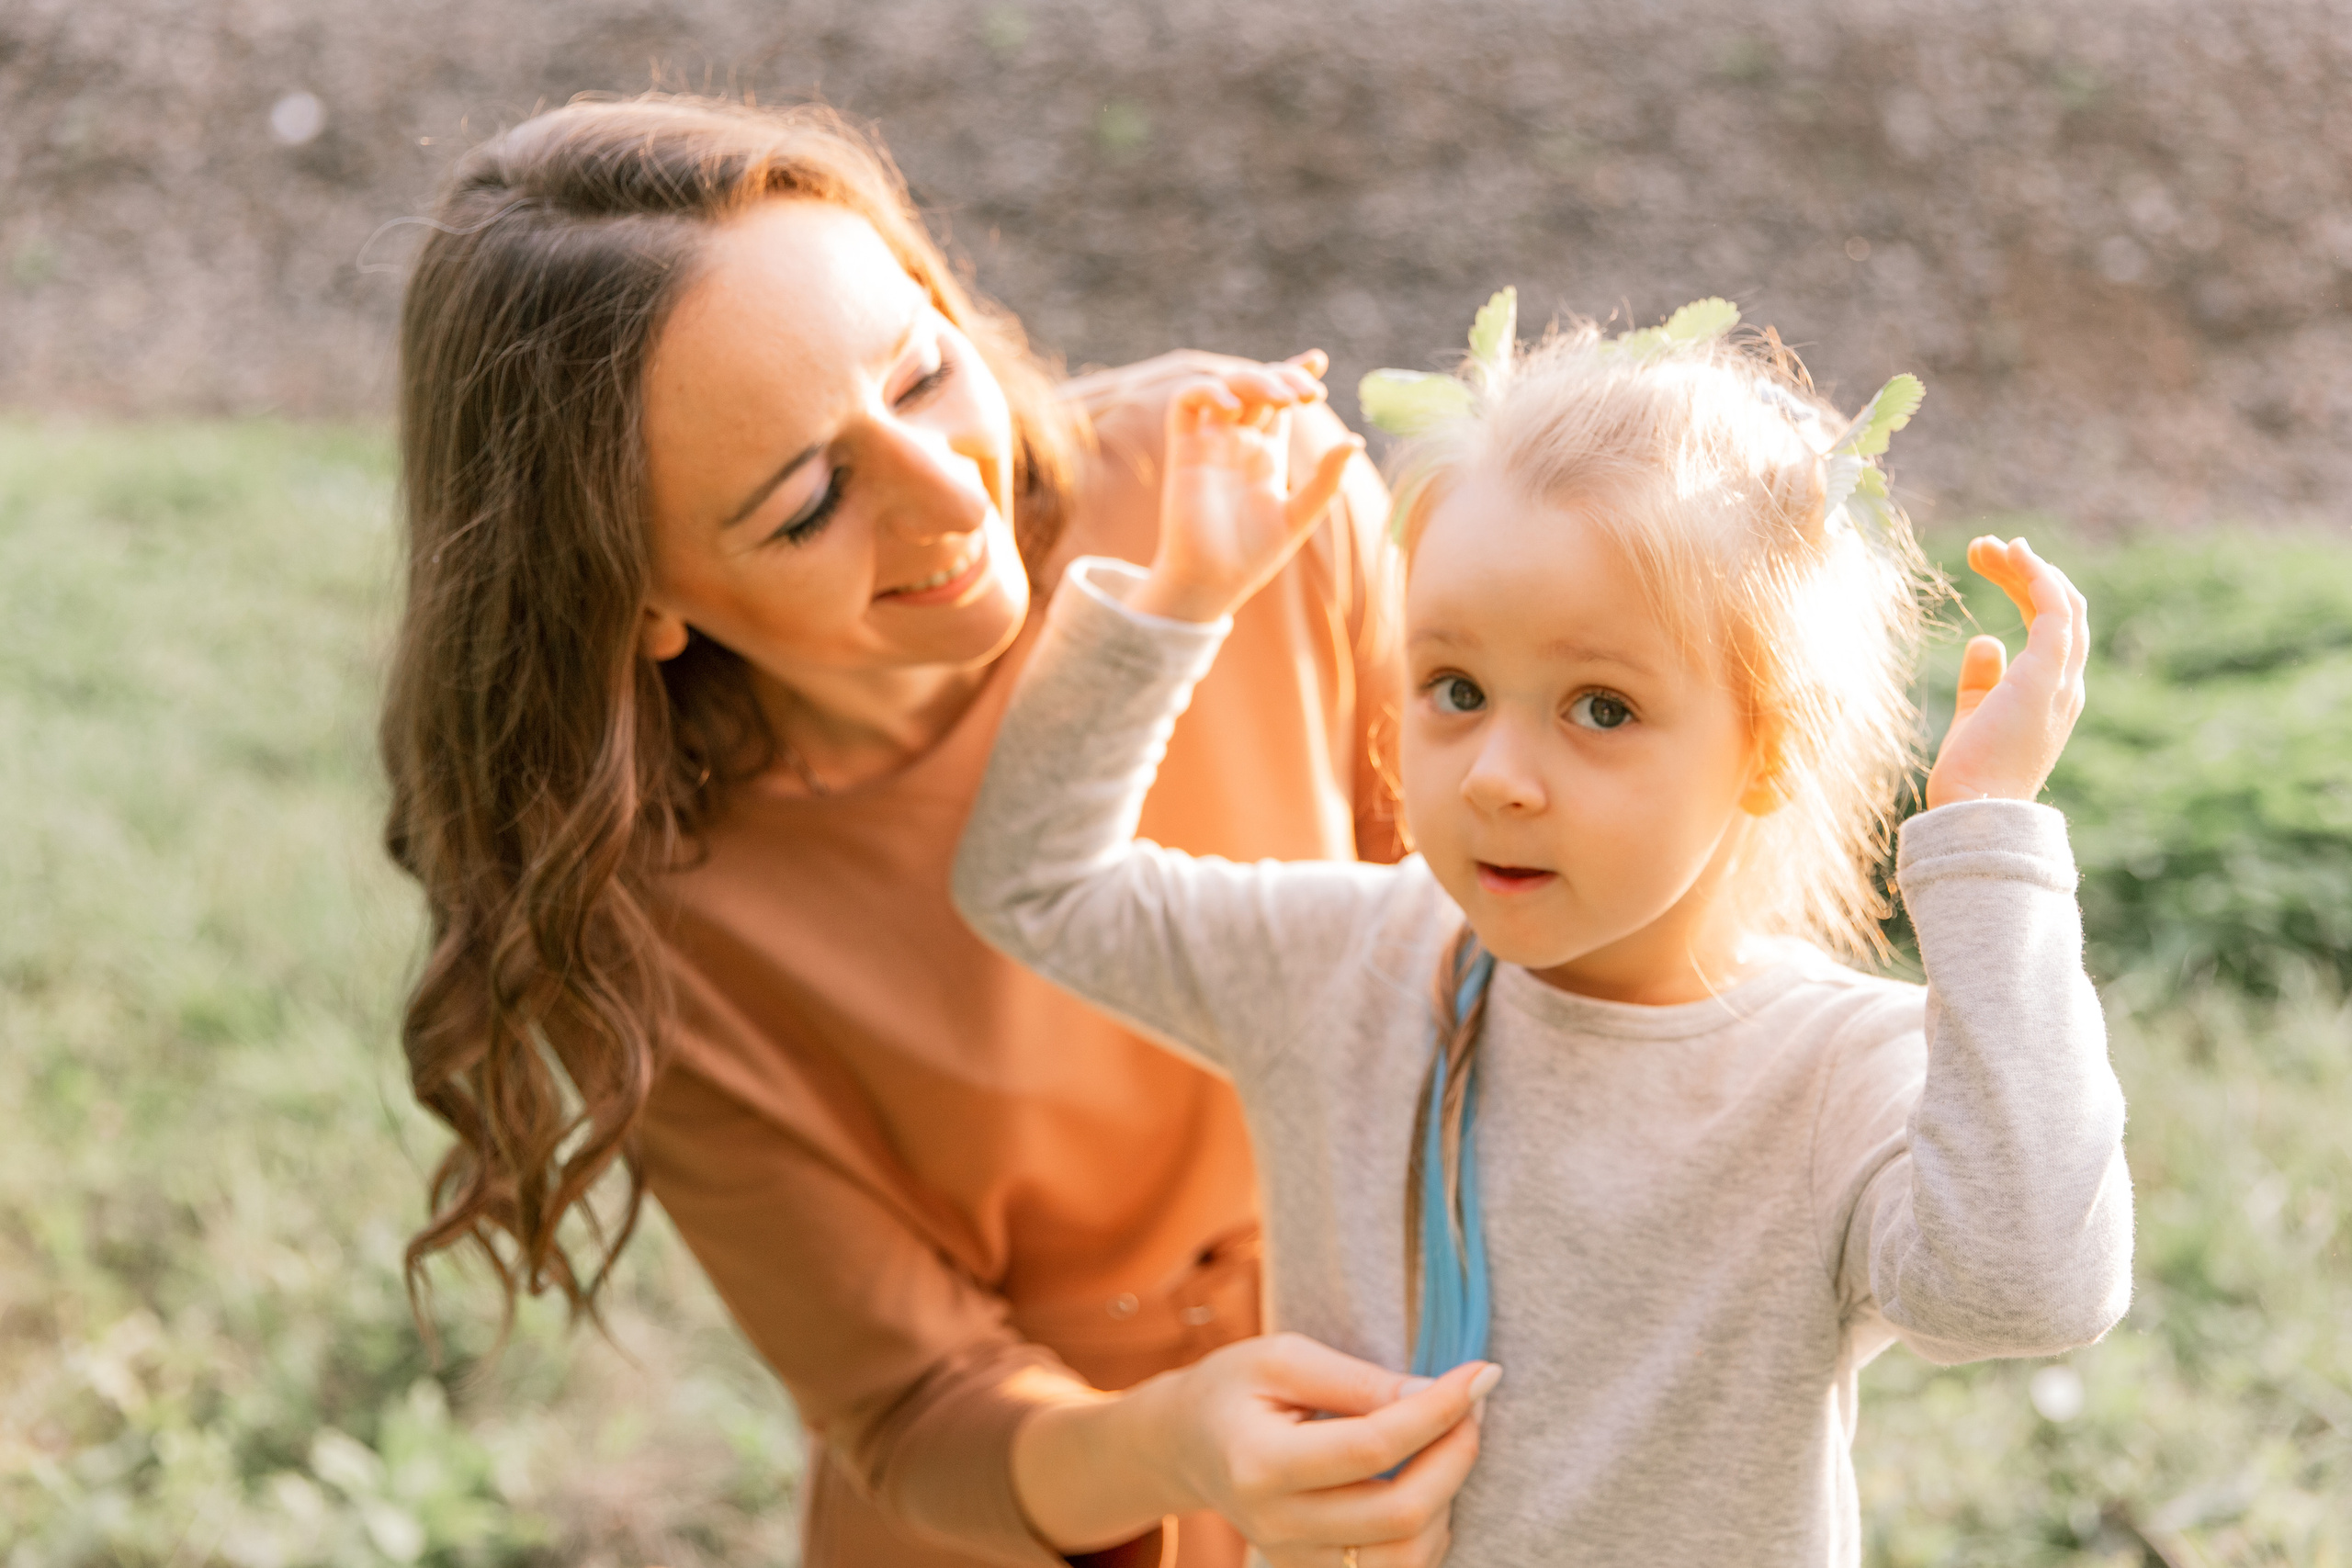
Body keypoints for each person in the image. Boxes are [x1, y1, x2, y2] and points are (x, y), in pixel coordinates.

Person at [379, 96, 1490, 1568]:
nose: (949, 492)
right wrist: (1179, 1444)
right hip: (1051, 1510)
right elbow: (911, 1411)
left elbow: (1497, 952)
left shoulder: (1228, 491)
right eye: (809, 502)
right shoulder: (643, 906)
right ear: (637, 600)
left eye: (920, 376)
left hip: (1448, 1400)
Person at [953, 296, 2137, 1563]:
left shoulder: (1831, 1076)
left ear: (1770, 752)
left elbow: (2029, 1290)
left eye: (1601, 708)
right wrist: (1181, 599)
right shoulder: (1340, 965)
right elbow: (1033, 884)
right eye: (1455, 688)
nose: (1495, 778)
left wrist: (1987, 844)